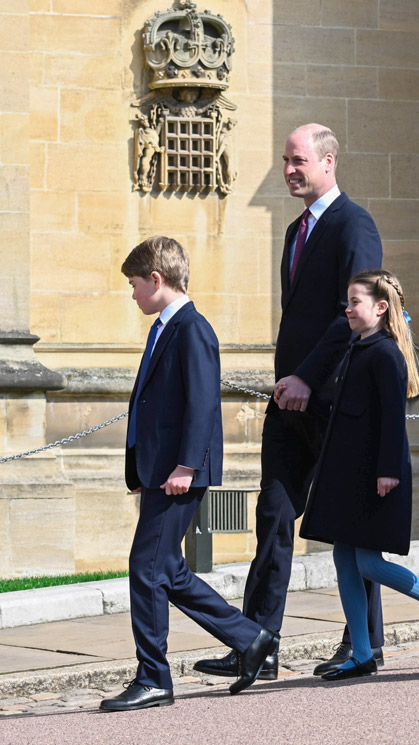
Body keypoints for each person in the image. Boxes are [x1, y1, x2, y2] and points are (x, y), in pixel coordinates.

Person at [194, 124, 384, 681]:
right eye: (285, 161)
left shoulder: (355, 224)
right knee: (272, 516)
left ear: (329, 161)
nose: (289, 171)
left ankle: (364, 643)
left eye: (298, 161)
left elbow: (356, 313)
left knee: (350, 523)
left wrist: (308, 377)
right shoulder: (294, 231)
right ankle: (257, 643)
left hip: (334, 400)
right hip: (289, 402)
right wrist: (289, 382)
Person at [100, 237, 279, 712]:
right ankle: (252, 638)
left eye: (135, 285)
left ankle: (155, 678)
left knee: (147, 568)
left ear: (156, 280)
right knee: (168, 570)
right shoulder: (164, 327)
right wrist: (139, 466)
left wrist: (186, 466)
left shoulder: (192, 329)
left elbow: (202, 404)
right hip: (159, 471)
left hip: (178, 472)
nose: (133, 294)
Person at [299, 270, 419, 680]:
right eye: (348, 302)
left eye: (355, 302)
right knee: (343, 558)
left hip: (375, 474)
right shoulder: (358, 347)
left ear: (380, 307)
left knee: (369, 563)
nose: (348, 309)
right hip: (346, 472)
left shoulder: (386, 353)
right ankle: (361, 652)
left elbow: (393, 418)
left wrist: (388, 471)